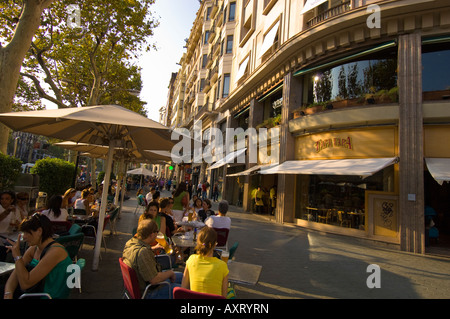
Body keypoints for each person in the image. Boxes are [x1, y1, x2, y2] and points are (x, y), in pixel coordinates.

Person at [3, 213, 73, 299]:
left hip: (46, 296)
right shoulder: (34, 248)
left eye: (27, 233)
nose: (24, 237)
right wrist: (8, 293)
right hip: (36, 292)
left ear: (39, 231)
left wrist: (17, 256)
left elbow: (26, 284)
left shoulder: (55, 252)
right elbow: (15, 274)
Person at [122, 219, 182, 299]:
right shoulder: (143, 252)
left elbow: (139, 255)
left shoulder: (131, 243)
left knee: (182, 276)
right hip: (149, 292)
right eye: (156, 232)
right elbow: (154, 280)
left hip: (138, 286)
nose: (157, 234)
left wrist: (152, 248)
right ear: (151, 234)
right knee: (183, 290)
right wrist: (170, 273)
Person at [181, 227, 229, 297]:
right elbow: (224, 296)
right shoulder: (222, 265)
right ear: (215, 244)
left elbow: (183, 289)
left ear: (198, 242)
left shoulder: (191, 260)